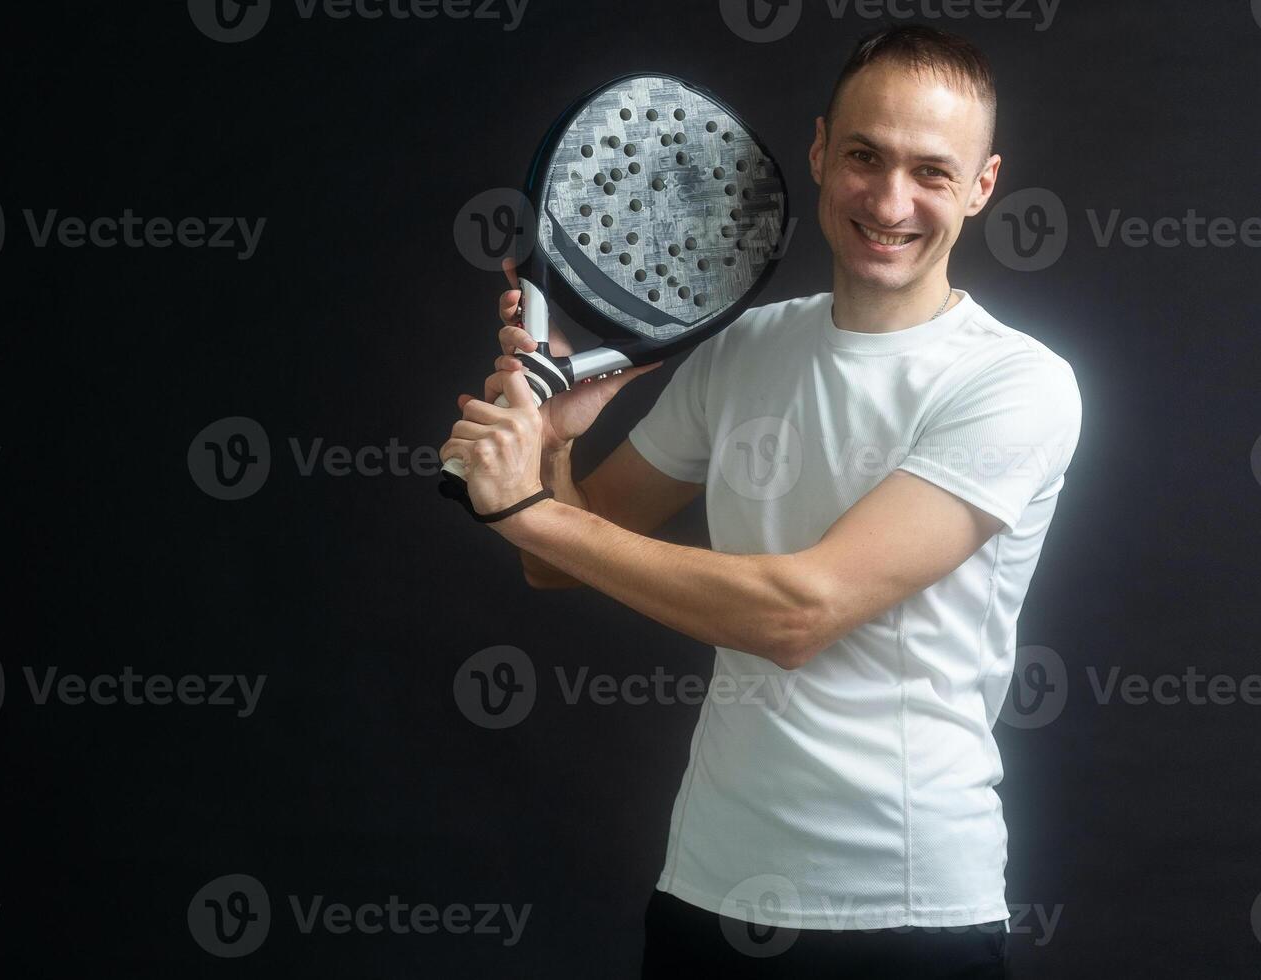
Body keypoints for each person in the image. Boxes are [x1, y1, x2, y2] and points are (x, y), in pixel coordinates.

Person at [441, 24, 1081, 978]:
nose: (890, 200)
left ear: (983, 186)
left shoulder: (1017, 385)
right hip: (711, 885)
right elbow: (560, 558)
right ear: (821, 151)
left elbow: (798, 613)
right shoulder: (745, 347)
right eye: (864, 156)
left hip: (903, 912)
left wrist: (522, 506)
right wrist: (559, 446)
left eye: (932, 172)